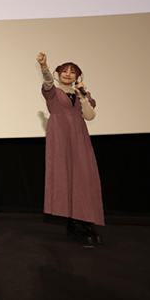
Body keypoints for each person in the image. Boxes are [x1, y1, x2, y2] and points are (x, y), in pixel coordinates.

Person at [36, 52, 104, 244]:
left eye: (72, 72)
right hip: (60, 136)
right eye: (64, 71)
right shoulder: (52, 91)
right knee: (64, 175)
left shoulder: (83, 94)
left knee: (83, 176)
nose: (68, 74)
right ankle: (72, 222)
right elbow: (48, 81)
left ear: (78, 76)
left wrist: (83, 96)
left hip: (79, 136)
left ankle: (83, 219)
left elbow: (89, 116)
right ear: (58, 74)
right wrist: (44, 66)